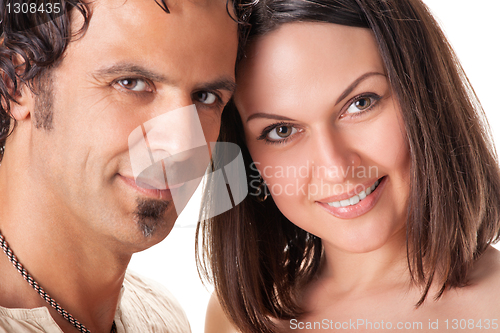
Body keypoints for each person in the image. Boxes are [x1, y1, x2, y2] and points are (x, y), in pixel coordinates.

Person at [197, 0, 500, 332]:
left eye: (360, 103)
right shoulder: (239, 319)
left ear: (424, 98)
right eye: (282, 131)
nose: (335, 167)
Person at [0, 0, 248, 332]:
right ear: (18, 84)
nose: (181, 147)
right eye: (131, 83)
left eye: (205, 97)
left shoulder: (164, 317)